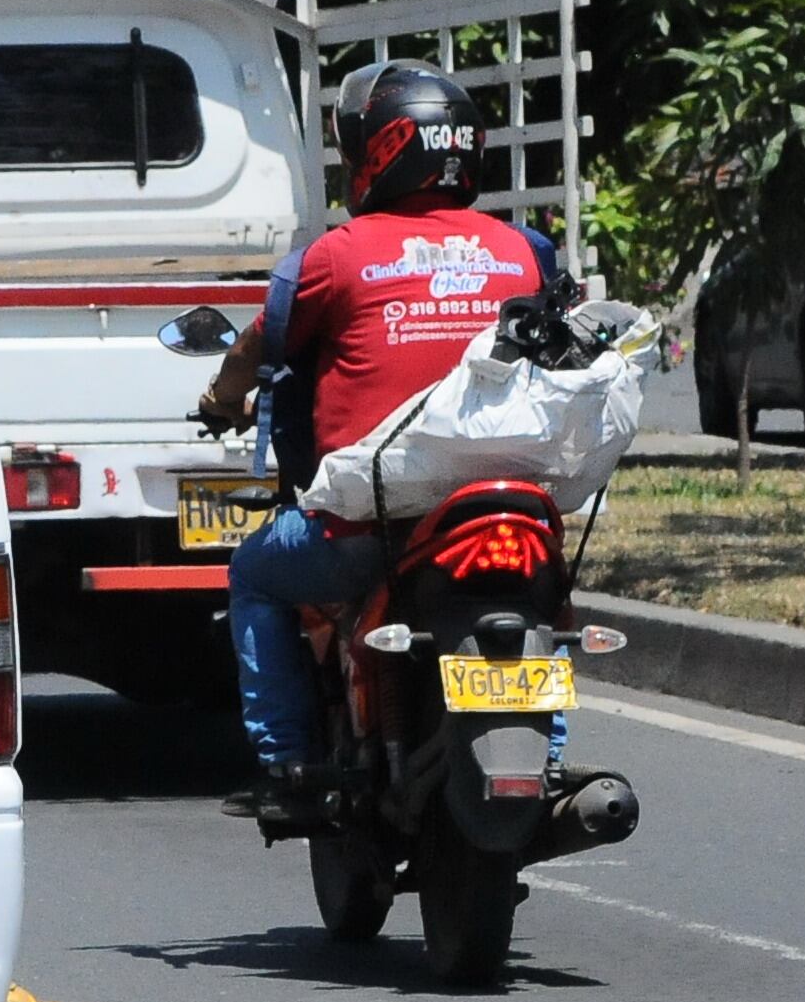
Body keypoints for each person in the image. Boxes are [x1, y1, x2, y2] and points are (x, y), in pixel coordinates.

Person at [195, 59, 554, 823]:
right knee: (538, 606)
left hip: (372, 528)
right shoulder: (525, 253)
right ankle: (548, 754)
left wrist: (221, 400)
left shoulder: (335, 257)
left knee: (255, 573)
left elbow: (256, 353)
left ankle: (288, 760)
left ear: (378, 152)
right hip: (504, 512)